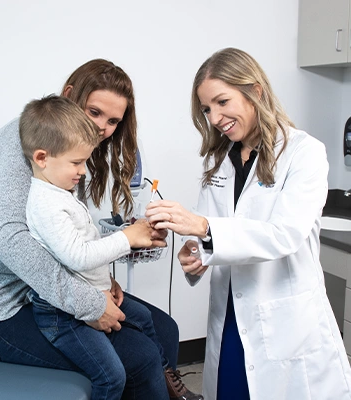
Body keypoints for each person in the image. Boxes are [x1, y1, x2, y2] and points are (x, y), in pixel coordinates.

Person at [0, 59, 202, 400]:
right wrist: (88, 302)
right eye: (94, 112)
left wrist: (102, 280)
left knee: (164, 329)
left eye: (113, 120)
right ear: (70, 95)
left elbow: (62, 238)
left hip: (45, 291)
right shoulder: (23, 142)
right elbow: (7, 238)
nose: (102, 128)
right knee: (141, 358)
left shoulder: (70, 147)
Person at [145, 47, 351, 399]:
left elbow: (285, 234)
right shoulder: (219, 162)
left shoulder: (303, 152)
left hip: (285, 320)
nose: (215, 117)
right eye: (207, 109)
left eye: (223, 102)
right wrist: (194, 257)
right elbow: (208, 236)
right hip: (229, 319)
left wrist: (203, 228)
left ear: (255, 91)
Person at [20, 95, 203, 400]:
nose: (82, 171)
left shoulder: (60, 191)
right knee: (110, 375)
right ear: (42, 158)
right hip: (62, 313)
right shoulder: (45, 204)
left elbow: (84, 245)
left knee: (144, 318)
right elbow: (77, 256)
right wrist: (127, 239)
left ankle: (167, 385)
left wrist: (108, 277)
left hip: (93, 290)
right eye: (76, 163)